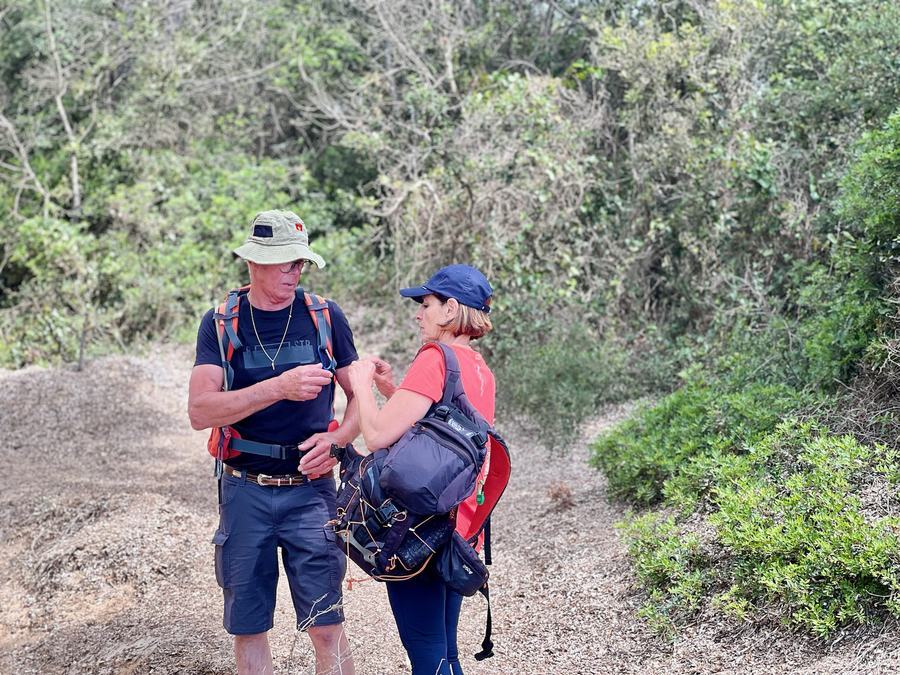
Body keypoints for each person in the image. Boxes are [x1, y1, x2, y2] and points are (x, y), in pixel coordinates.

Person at [188, 210, 359, 675]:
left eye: (299, 263)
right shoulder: (221, 323)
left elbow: (360, 396)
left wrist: (340, 438)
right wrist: (277, 388)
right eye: (285, 262)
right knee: (250, 628)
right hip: (245, 490)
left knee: (327, 625)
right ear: (254, 264)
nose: (294, 272)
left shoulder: (323, 315)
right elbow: (200, 410)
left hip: (312, 490)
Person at [347, 264, 496, 675]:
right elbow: (437, 430)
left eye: (426, 304)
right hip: (459, 529)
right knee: (446, 653)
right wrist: (390, 390)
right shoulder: (479, 368)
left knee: (427, 656)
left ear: (451, 310)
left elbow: (376, 436)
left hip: (420, 530)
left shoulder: (435, 358)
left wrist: (358, 381)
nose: (419, 313)